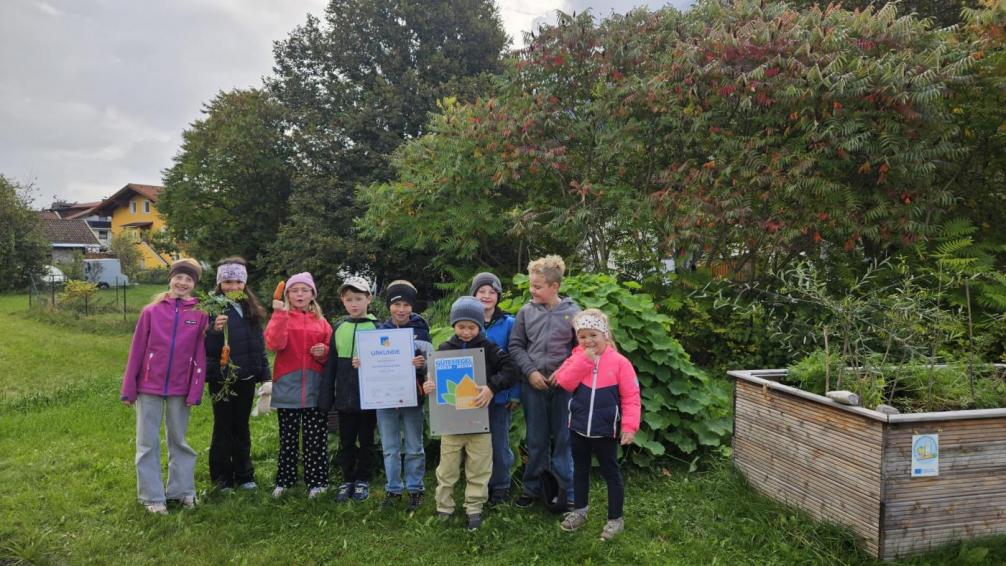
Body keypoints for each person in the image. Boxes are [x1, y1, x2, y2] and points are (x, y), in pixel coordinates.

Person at [120, 258, 209, 514]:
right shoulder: (151, 311)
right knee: (147, 442)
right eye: (179, 277)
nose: (182, 282)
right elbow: (136, 350)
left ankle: (182, 491)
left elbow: (200, 355)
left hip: (181, 390)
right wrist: (129, 388)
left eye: (189, 279)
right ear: (170, 278)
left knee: (179, 441)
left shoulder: (200, 315)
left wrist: (195, 390)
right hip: (149, 387)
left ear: (194, 284)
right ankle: (151, 497)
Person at [423, 297, 520, 531]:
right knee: (447, 468)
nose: (466, 332)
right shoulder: (444, 350)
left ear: (480, 327)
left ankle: (474, 507)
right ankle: (443, 507)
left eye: (472, 327)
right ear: (453, 326)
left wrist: (491, 387)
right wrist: (428, 384)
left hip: (479, 422)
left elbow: (511, 369)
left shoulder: (489, 348)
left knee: (479, 466)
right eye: (461, 326)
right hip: (451, 424)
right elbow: (432, 377)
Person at [554, 309, 640, 541]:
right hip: (578, 428)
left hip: (606, 431)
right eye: (582, 337)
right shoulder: (576, 357)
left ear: (604, 334)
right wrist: (584, 360)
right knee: (580, 471)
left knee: (611, 473)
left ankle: (615, 519)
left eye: (593, 335)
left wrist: (629, 427)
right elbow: (564, 382)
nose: (588, 341)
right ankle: (580, 511)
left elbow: (631, 396)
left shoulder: (620, 363)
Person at [508, 255, 580, 509]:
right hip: (533, 386)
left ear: (554, 287)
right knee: (536, 439)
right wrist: (530, 372)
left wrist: (564, 373)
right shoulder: (526, 312)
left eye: (537, 286)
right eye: (531, 285)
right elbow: (516, 346)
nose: (532, 290)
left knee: (563, 439)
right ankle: (532, 488)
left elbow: (579, 349)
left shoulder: (573, 313)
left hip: (564, 388)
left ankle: (566, 491)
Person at [265, 272, 333, 499]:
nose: (300, 294)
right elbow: (274, 343)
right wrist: (278, 314)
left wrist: (324, 352)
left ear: (313, 294)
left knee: (316, 438)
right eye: (294, 290)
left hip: (314, 387)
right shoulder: (282, 316)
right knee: (288, 439)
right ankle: (285, 480)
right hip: (287, 386)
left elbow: (330, 351)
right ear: (287, 295)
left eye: (304, 290)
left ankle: (318, 482)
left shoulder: (322, 322)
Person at [205, 257, 270, 491]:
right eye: (227, 282)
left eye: (237, 282)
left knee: (241, 426)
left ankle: (244, 474)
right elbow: (206, 348)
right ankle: (222, 477)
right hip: (222, 377)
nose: (233, 286)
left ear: (244, 283)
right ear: (219, 283)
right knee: (223, 426)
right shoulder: (212, 307)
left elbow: (257, 345)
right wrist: (214, 331)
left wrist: (265, 374)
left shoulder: (249, 308)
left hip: (246, 377)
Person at [375, 280, 433, 510]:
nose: (401, 309)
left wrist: (419, 366)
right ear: (389, 306)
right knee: (389, 447)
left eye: (406, 304)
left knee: (414, 445)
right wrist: (362, 363)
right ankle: (393, 489)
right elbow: (374, 366)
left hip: (413, 397)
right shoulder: (380, 331)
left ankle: (415, 489)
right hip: (385, 399)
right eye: (396, 304)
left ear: (412, 306)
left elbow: (429, 367)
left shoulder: (422, 330)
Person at [321, 275, 378, 503]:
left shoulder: (377, 326)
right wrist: (327, 398)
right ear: (343, 302)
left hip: (369, 398)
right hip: (344, 398)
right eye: (349, 299)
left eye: (358, 298)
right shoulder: (339, 328)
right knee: (346, 441)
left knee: (366, 440)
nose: (354, 304)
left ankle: (363, 479)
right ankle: (347, 479)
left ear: (368, 299)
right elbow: (331, 365)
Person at [469, 272, 519, 504]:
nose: (486, 296)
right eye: (482, 292)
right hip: (472, 398)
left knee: (499, 443)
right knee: (478, 444)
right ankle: (480, 485)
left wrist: (515, 393)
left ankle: (500, 485)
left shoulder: (509, 323)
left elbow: (516, 360)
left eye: (492, 292)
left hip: (500, 397)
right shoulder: (466, 324)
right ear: (474, 295)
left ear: (498, 296)